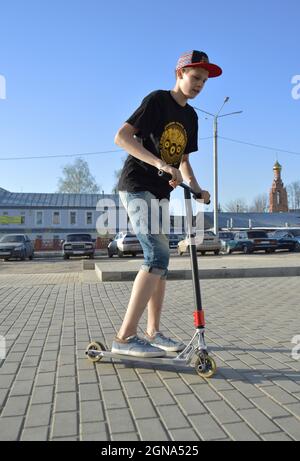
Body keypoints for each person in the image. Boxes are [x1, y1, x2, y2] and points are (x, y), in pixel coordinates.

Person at [112, 50, 222, 357]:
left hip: (161, 193)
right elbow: (121, 137)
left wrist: (198, 189)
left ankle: (153, 332)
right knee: (157, 255)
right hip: (137, 186)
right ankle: (124, 337)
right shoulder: (157, 100)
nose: (200, 84)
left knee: (161, 262)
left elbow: (183, 160)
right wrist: (161, 164)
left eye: (204, 80)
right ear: (180, 74)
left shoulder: (191, 116)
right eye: (195, 77)